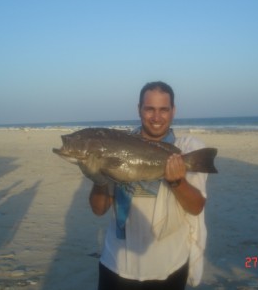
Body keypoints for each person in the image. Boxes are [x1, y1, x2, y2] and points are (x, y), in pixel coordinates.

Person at [89, 81, 208, 290]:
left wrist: (177, 181)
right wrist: (98, 180)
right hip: (116, 265)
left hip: (169, 268)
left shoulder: (186, 150)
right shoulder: (116, 146)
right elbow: (99, 210)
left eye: (164, 109)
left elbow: (196, 207)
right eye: (149, 109)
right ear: (139, 109)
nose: (156, 117)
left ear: (173, 111)